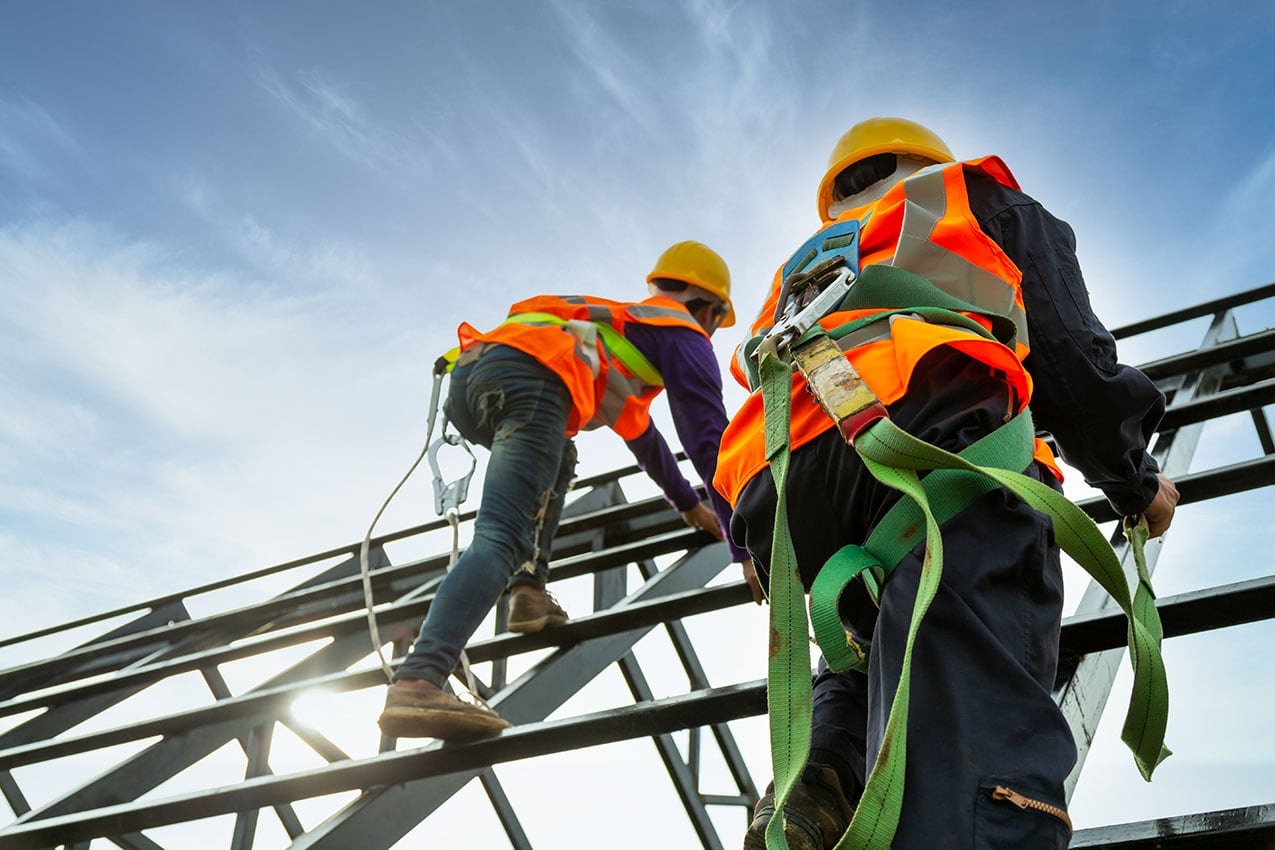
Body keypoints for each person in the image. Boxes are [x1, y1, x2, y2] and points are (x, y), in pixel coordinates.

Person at [713, 118, 1180, 849]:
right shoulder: (969, 194)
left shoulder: (803, 266)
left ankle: (817, 777)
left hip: (779, 484)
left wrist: (749, 548)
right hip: (933, 424)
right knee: (968, 700)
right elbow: (1066, 354)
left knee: (869, 635)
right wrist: (1133, 480)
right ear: (926, 158)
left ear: (835, 195)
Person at [378, 240, 753, 741]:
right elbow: (709, 442)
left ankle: (528, 592)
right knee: (501, 536)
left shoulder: (620, 336)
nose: (710, 333)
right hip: (532, 381)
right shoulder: (683, 332)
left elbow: (647, 441)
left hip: (474, 379)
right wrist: (744, 545)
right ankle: (421, 678)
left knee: (560, 456)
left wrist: (687, 504)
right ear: (709, 308)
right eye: (714, 322)